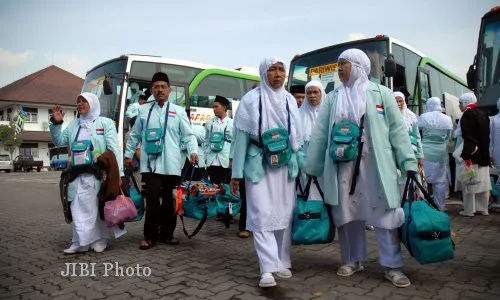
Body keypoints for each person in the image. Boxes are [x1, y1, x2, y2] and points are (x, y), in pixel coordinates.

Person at [305, 49, 417, 288]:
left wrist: (408, 161)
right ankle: (352, 259)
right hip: (343, 164)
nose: (339, 69)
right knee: (347, 214)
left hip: (376, 164)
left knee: (385, 214)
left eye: (343, 65)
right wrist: (312, 165)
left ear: (357, 66)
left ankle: (392, 266)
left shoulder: (382, 94)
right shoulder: (333, 97)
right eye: (338, 65)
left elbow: (398, 131)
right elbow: (320, 133)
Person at [230, 57, 303, 288]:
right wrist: (236, 173)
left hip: (285, 165)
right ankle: (266, 269)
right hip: (258, 165)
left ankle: (282, 261)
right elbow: (241, 139)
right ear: (264, 73)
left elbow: (297, 139)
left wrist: (300, 165)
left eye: (281, 70)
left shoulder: (290, 100)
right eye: (273, 69)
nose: (278, 74)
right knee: (261, 214)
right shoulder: (250, 100)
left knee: (283, 214)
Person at [124, 72, 198, 249]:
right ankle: (150, 236)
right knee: (151, 201)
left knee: (170, 202)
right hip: (150, 164)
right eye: (156, 87)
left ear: (169, 90)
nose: (160, 90)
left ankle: (167, 234)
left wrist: (193, 151)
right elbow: (134, 136)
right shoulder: (143, 111)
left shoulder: (178, 112)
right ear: (152, 90)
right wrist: (128, 155)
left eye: (163, 87)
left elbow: (188, 136)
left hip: (172, 165)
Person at [50, 92, 125, 254]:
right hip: (77, 175)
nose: (80, 104)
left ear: (93, 103)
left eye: (83, 101)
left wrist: (118, 173)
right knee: (77, 207)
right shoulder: (73, 124)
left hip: (98, 175)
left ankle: (100, 239)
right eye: (78, 101)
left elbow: (113, 149)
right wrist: (56, 124)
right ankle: (80, 242)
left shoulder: (105, 123)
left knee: (96, 208)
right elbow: (59, 141)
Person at [457, 92, 491, 216]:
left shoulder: (468, 114)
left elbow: (469, 136)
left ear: (466, 102)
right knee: (483, 183)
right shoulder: (483, 113)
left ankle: (469, 210)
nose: (459, 105)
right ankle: (483, 208)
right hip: (484, 153)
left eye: (460, 103)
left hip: (472, 154)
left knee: (469, 181)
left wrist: (466, 154)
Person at [417, 97, 452, 211]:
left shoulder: (423, 117)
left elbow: (418, 133)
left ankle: (425, 205)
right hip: (441, 153)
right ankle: (440, 206)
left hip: (425, 152)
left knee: (424, 180)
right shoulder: (447, 119)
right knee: (440, 181)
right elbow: (447, 137)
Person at [298, 80, 326, 200]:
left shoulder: (328, 112)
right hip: (306, 162)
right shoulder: (299, 114)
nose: (312, 96)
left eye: (315, 92)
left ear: (322, 93)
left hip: (325, 161)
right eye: (308, 93)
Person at [205, 95, 233, 184]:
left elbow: (235, 143)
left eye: (216, 106)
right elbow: (206, 141)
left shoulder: (232, 123)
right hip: (212, 160)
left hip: (225, 160)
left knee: (225, 188)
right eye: (213, 107)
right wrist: (206, 156)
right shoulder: (209, 123)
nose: (214, 109)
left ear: (224, 107)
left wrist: (232, 160)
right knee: (212, 186)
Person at [181, 108, 206, 181]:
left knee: (196, 183)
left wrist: (189, 132)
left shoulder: (199, 127)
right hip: (182, 159)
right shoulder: (177, 128)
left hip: (196, 160)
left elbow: (202, 139)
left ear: (189, 117)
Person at [489, 97, 500, 208]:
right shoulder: (492, 120)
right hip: (497, 153)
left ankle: (497, 198)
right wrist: (490, 153)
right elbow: (490, 139)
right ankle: (497, 199)